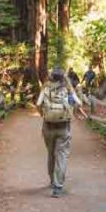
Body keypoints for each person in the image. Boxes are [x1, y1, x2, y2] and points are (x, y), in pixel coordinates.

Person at [36, 67, 85, 197]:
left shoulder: (46, 87)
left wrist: (43, 114)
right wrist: (71, 108)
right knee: (61, 155)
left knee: (51, 154)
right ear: (64, 77)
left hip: (48, 126)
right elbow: (79, 103)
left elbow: (38, 103)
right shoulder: (68, 89)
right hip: (64, 127)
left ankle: (52, 180)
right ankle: (58, 188)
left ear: (51, 76)